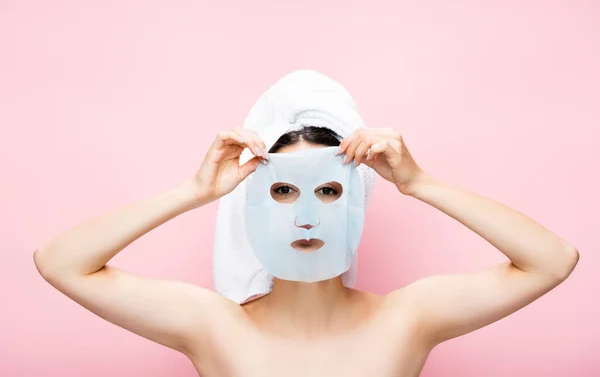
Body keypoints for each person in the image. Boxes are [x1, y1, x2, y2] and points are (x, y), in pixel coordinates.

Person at [33, 124, 579, 376]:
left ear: (353, 206)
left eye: (328, 190)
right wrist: (194, 193)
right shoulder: (214, 326)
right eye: (284, 190)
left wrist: (419, 183)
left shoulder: (407, 318)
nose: (305, 215)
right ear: (254, 208)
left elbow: (552, 260)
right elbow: (60, 263)